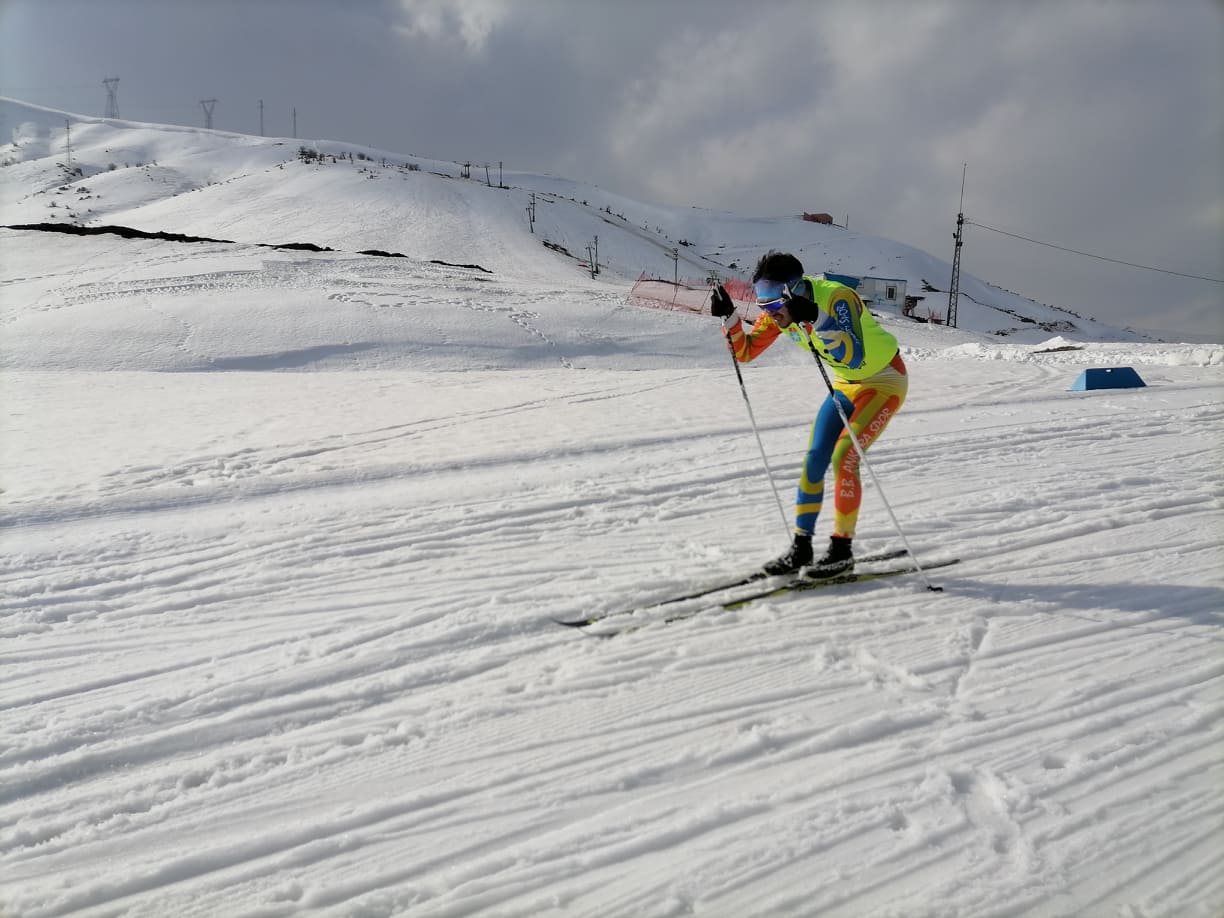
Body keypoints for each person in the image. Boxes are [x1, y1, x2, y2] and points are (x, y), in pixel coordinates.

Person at [710, 251, 907, 578]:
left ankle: (841, 551)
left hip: (883, 380)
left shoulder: (838, 299)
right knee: (815, 458)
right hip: (845, 386)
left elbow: (853, 356)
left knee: (844, 456)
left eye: (774, 306)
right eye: (762, 306)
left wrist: (817, 317)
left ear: (795, 291)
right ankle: (801, 549)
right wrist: (729, 317)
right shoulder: (781, 311)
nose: (770, 315)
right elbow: (745, 351)